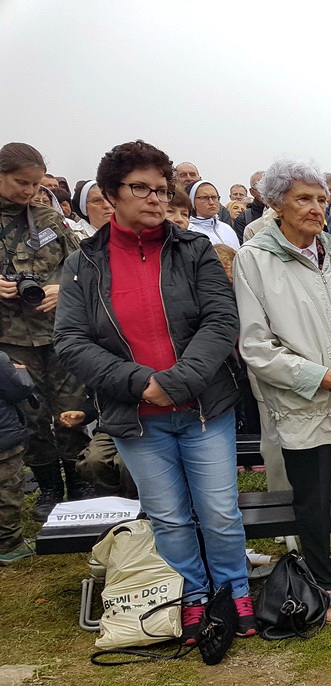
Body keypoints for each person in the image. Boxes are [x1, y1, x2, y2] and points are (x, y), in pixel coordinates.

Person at [53, 139, 254, 642]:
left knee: (220, 513)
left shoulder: (194, 250)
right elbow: (71, 341)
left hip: (204, 408)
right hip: (137, 418)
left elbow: (221, 320)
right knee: (169, 517)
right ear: (110, 194)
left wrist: (174, 382)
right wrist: (141, 385)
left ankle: (235, 590)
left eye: (161, 189)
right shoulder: (83, 264)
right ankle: (192, 595)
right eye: (140, 188)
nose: (155, 198)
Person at [235, 158, 331, 622]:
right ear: (276, 204)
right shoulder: (254, 260)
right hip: (305, 403)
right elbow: (255, 345)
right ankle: (322, 582)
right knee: (313, 502)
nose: (317, 208)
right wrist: (320, 377)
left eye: (321, 199)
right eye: (303, 198)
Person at [0, 142, 93, 521]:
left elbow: (85, 269)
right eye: (22, 183)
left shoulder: (50, 221)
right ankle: (48, 487)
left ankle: (80, 483)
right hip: (11, 340)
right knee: (32, 415)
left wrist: (63, 289)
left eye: (36, 184)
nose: (30, 191)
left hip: (59, 334)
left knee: (72, 407)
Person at [0, 351, 35, 564]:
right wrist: (21, 373)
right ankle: (9, 545)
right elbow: (19, 390)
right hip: (3, 442)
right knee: (7, 491)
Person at [186, 181, 241, 248]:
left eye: (214, 197)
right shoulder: (189, 230)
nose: (211, 202)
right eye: (204, 198)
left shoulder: (227, 229)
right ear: (192, 201)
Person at [233, 171, 265, 241]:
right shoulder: (244, 218)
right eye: (259, 186)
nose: (264, 190)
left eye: (268, 185)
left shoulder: (283, 212)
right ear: (252, 192)